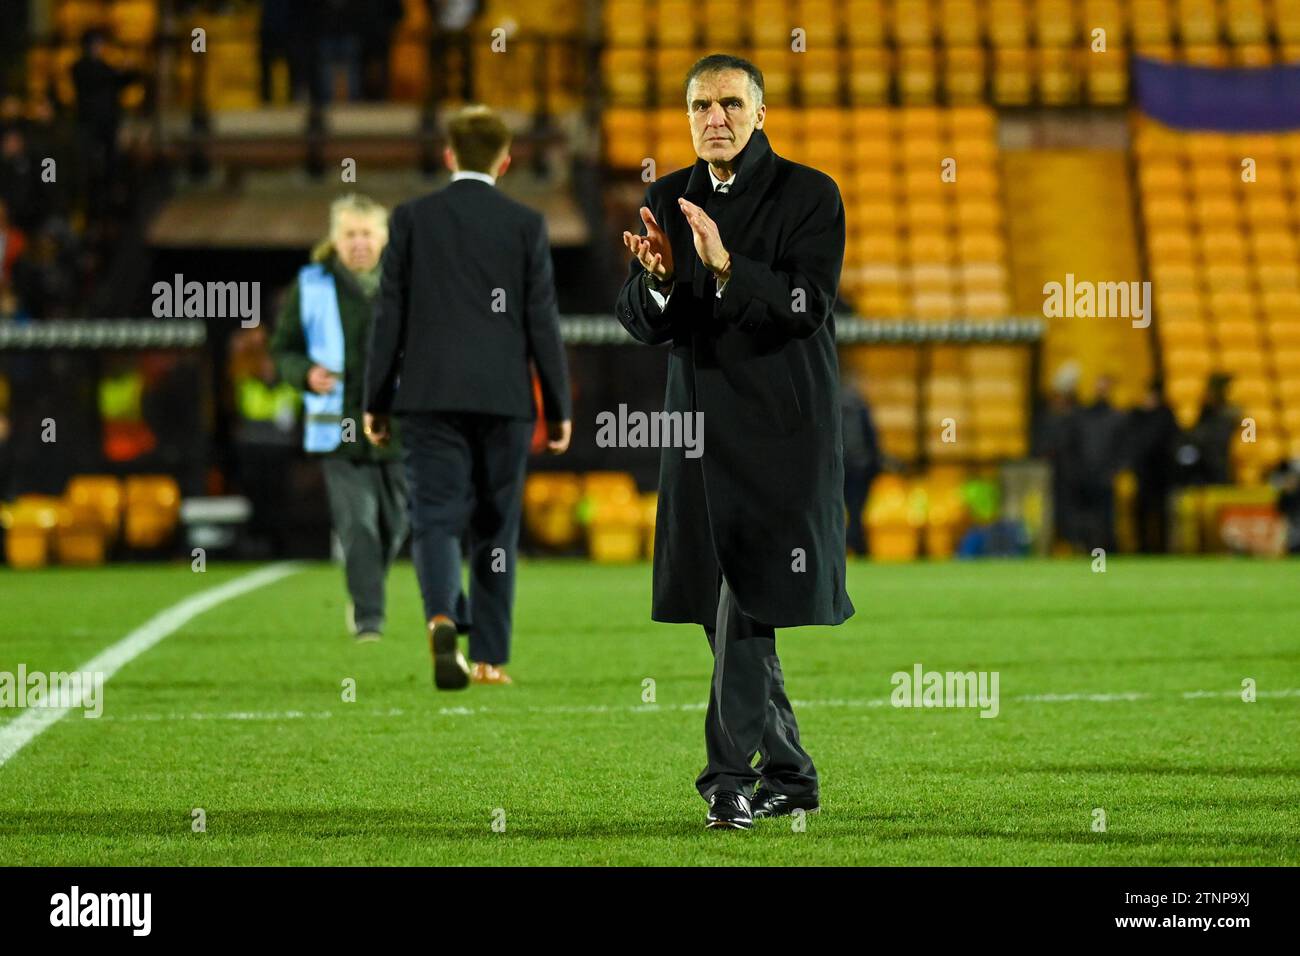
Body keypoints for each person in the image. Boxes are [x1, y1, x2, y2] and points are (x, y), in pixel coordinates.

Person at [616, 54, 854, 830]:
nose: (713, 118)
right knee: (720, 605)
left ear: (760, 113)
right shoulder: (666, 196)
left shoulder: (811, 194)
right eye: (699, 106)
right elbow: (643, 321)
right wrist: (655, 280)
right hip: (696, 434)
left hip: (782, 432)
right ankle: (791, 771)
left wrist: (725, 266)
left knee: (747, 596)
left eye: (728, 104)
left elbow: (805, 304)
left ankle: (727, 779)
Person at [364, 104, 572, 688]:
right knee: (495, 526)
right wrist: (558, 409)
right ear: (505, 161)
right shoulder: (526, 225)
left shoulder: (410, 219)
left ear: (450, 156)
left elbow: (390, 317)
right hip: (505, 399)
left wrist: (375, 401)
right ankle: (487, 657)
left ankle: (440, 616)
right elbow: (542, 323)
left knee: (434, 517)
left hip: (428, 396)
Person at [271, 194, 407, 641]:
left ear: (384, 237)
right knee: (359, 525)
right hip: (338, 430)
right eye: (350, 234)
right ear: (335, 238)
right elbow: (284, 348)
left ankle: (366, 588)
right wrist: (305, 373)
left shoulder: (408, 281)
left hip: (399, 429)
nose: (359, 242)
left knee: (394, 524)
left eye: (367, 233)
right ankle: (369, 617)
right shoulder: (311, 285)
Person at [1125, 378, 1180, 553]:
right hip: (1143, 473)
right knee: (1141, 513)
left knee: (1161, 514)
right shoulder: (1138, 416)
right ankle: (1142, 547)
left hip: (1161, 474)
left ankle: (1162, 548)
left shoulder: (1165, 416)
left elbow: (1170, 443)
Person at [1072, 374, 1126, 553]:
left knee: (1106, 521)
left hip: (1105, 477)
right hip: (1085, 477)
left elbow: (1123, 449)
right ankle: (1090, 555)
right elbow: (1075, 446)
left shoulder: (1116, 417)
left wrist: (1114, 471)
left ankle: (1104, 559)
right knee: (1087, 521)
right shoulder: (1083, 417)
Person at [841, 367, 881, 557]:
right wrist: (874, 463)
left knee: (845, 510)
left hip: (842, 467)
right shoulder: (860, 406)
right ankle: (857, 545)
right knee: (857, 510)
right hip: (860, 467)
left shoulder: (835, 406)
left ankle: (850, 544)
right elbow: (872, 439)